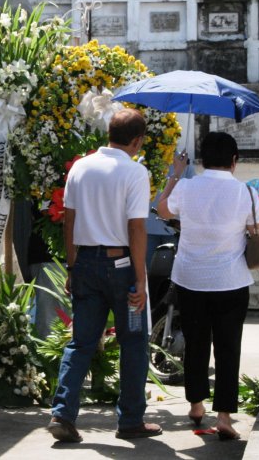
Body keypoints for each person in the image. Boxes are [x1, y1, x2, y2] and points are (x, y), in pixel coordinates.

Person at [47, 108, 162, 443]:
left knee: (81, 343)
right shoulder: (134, 172)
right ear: (138, 140)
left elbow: (69, 221)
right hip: (121, 268)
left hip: (84, 264)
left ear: (109, 132)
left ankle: (62, 413)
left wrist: (72, 266)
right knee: (133, 342)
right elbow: (137, 228)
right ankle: (130, 421)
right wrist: (140, 281)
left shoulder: (81, 166)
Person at [157, 131, 259, 440]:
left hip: (190, 280)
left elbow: (163, 210)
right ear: (234, 161)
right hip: (231, 282)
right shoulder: (244, 193)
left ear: (202, 160)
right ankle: (224, 416)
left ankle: (197, 406)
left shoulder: (187, 187)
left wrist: (175, 175)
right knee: (227, 347)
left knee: (196, 344)